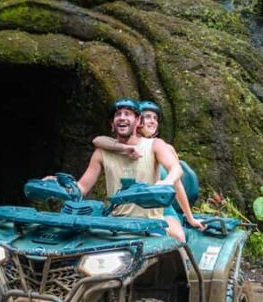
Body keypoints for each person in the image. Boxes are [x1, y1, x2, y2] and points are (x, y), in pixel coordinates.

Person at [77, 98, 187, 242]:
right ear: (112, 124)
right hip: (115, 224)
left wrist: (166, 182)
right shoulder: (101, 153)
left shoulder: (155, 145)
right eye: (118, 114)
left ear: (138, 121)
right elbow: (82, 187)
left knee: (174, 242)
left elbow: (176, 169)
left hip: (150, 224)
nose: (122, 117)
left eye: (128, 114)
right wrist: (62, 186)